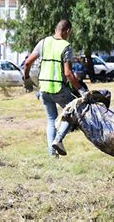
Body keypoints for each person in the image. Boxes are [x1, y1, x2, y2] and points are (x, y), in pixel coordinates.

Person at [23, 19, 87, 157]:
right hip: (59, 88)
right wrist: (82, 90)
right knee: (73, 113)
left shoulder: (43, 42)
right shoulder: (66, 46)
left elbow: (27, 63)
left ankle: (52, 155)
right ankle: (58, 140)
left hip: (44, 88)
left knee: (51, 119)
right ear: (68, 31)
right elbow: (68, 73)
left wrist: (27, 79)